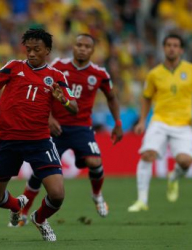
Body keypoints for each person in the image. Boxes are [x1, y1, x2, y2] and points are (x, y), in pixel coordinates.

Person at [0, 28, 78, 242]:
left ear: (47, 51)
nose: (31, 54)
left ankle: (39, 219)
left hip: (39, 142)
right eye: (28, 49)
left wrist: (64, 100)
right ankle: (16, 205)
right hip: (8, 141)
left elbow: (74, 108)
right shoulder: (14, 67)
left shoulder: (56, 76)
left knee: (58, 195)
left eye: (36, 50)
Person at [11, 34, 123, 226]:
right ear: (73, 47)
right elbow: (41, 90)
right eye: (79, 45)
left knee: (95, 161)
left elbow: (111, 97)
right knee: (40, 171)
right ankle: (23, 212)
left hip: (82, 128)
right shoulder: (57, 66)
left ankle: (96, 194)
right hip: (57, 128)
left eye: (87, 46)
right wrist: (49, 118)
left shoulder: (100, 73)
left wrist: (118, 123)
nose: (82, 49)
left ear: (92, 50)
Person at [128, 34, 192, 212]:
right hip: (160, 120)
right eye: (169, 45)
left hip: (184, 123)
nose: (172, 48)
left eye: (176, 45)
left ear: (181, 50)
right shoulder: (154, 74)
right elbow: (147, 98)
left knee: (185, 162)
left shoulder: (190, 70)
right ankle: (142, 201)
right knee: (147, 154)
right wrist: (142, 121)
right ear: (164, 48)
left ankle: (173, 178)